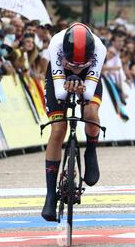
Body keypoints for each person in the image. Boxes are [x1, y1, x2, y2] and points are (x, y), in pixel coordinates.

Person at [41, 23, 107, 221]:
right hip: (58, 76)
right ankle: (51, 194)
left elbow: (88, 92)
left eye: (81, 62)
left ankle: (91, 151)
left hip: (89, 78)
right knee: (58, 129)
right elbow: (60, 91)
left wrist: (81, 85)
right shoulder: (56, 43)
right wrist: (69, 79)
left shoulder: (99, 48)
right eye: (73, 62)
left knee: (91, 111)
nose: (76, 66)